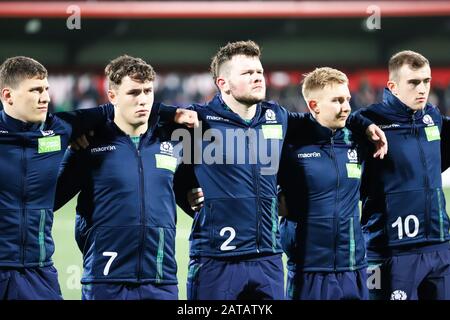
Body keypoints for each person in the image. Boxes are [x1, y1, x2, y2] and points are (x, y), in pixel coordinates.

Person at [174, 40, 387, 300]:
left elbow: (324, 117)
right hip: (216, 258)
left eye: (259, 72)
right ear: (223, 84)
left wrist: (363, 124)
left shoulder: (277, 116)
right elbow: (179, 176)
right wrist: (187, 193)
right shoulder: (198, 120)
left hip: (268, 258)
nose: (257, 78)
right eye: (247, 73)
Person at [0, 56, 197, 300]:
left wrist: (168, 112)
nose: (46, 97)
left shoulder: (168, 139)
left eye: (148, 91)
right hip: (104, 278)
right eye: (134, 92)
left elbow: (176, 189)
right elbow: (55, 198)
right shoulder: (86, 144)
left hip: (158, 278)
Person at [357, 50, 450, 300]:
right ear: (393, 86)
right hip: (390, 250)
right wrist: (362, 126)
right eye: (414, 82)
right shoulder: (371, 120)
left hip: (439, 245)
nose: (422, 89)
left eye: (426, 81)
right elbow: (345, 123)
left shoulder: (433, 118)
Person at [278, 67, 369, 300]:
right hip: (309, 271)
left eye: (347, 99)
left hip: (353, 267)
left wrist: (366, 124)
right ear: (314, 105)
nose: (346, 106)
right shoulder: (289, 144)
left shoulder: (357, 140)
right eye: (337, 100)